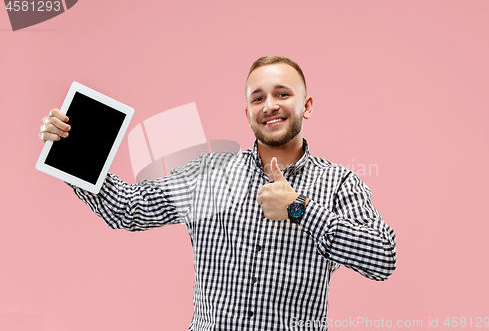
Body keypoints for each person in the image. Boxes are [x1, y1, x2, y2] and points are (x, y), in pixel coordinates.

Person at [39, 55, 396, 330]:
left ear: (306, 106)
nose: (269, 105)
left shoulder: (340, 183)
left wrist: (300, 209)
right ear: (248, 113)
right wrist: (70, 151)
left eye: (282, 94)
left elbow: (382, 259)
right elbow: (130, 209)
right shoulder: (209, 174)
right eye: (258, 98)